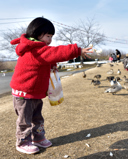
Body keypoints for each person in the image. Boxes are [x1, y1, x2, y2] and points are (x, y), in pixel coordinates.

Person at [10, 17, 93, 154]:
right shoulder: (34, 49)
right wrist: (77, 50)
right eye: (48, 36)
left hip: (34, 92)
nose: (50, 40)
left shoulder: (37, 49)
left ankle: (38, 137)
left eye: (51, 36)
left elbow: (48, 59)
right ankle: (23, 142)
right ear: (37, 34)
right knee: (25, 120)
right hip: (24, 93)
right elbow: (56, 53)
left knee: (37, 117)